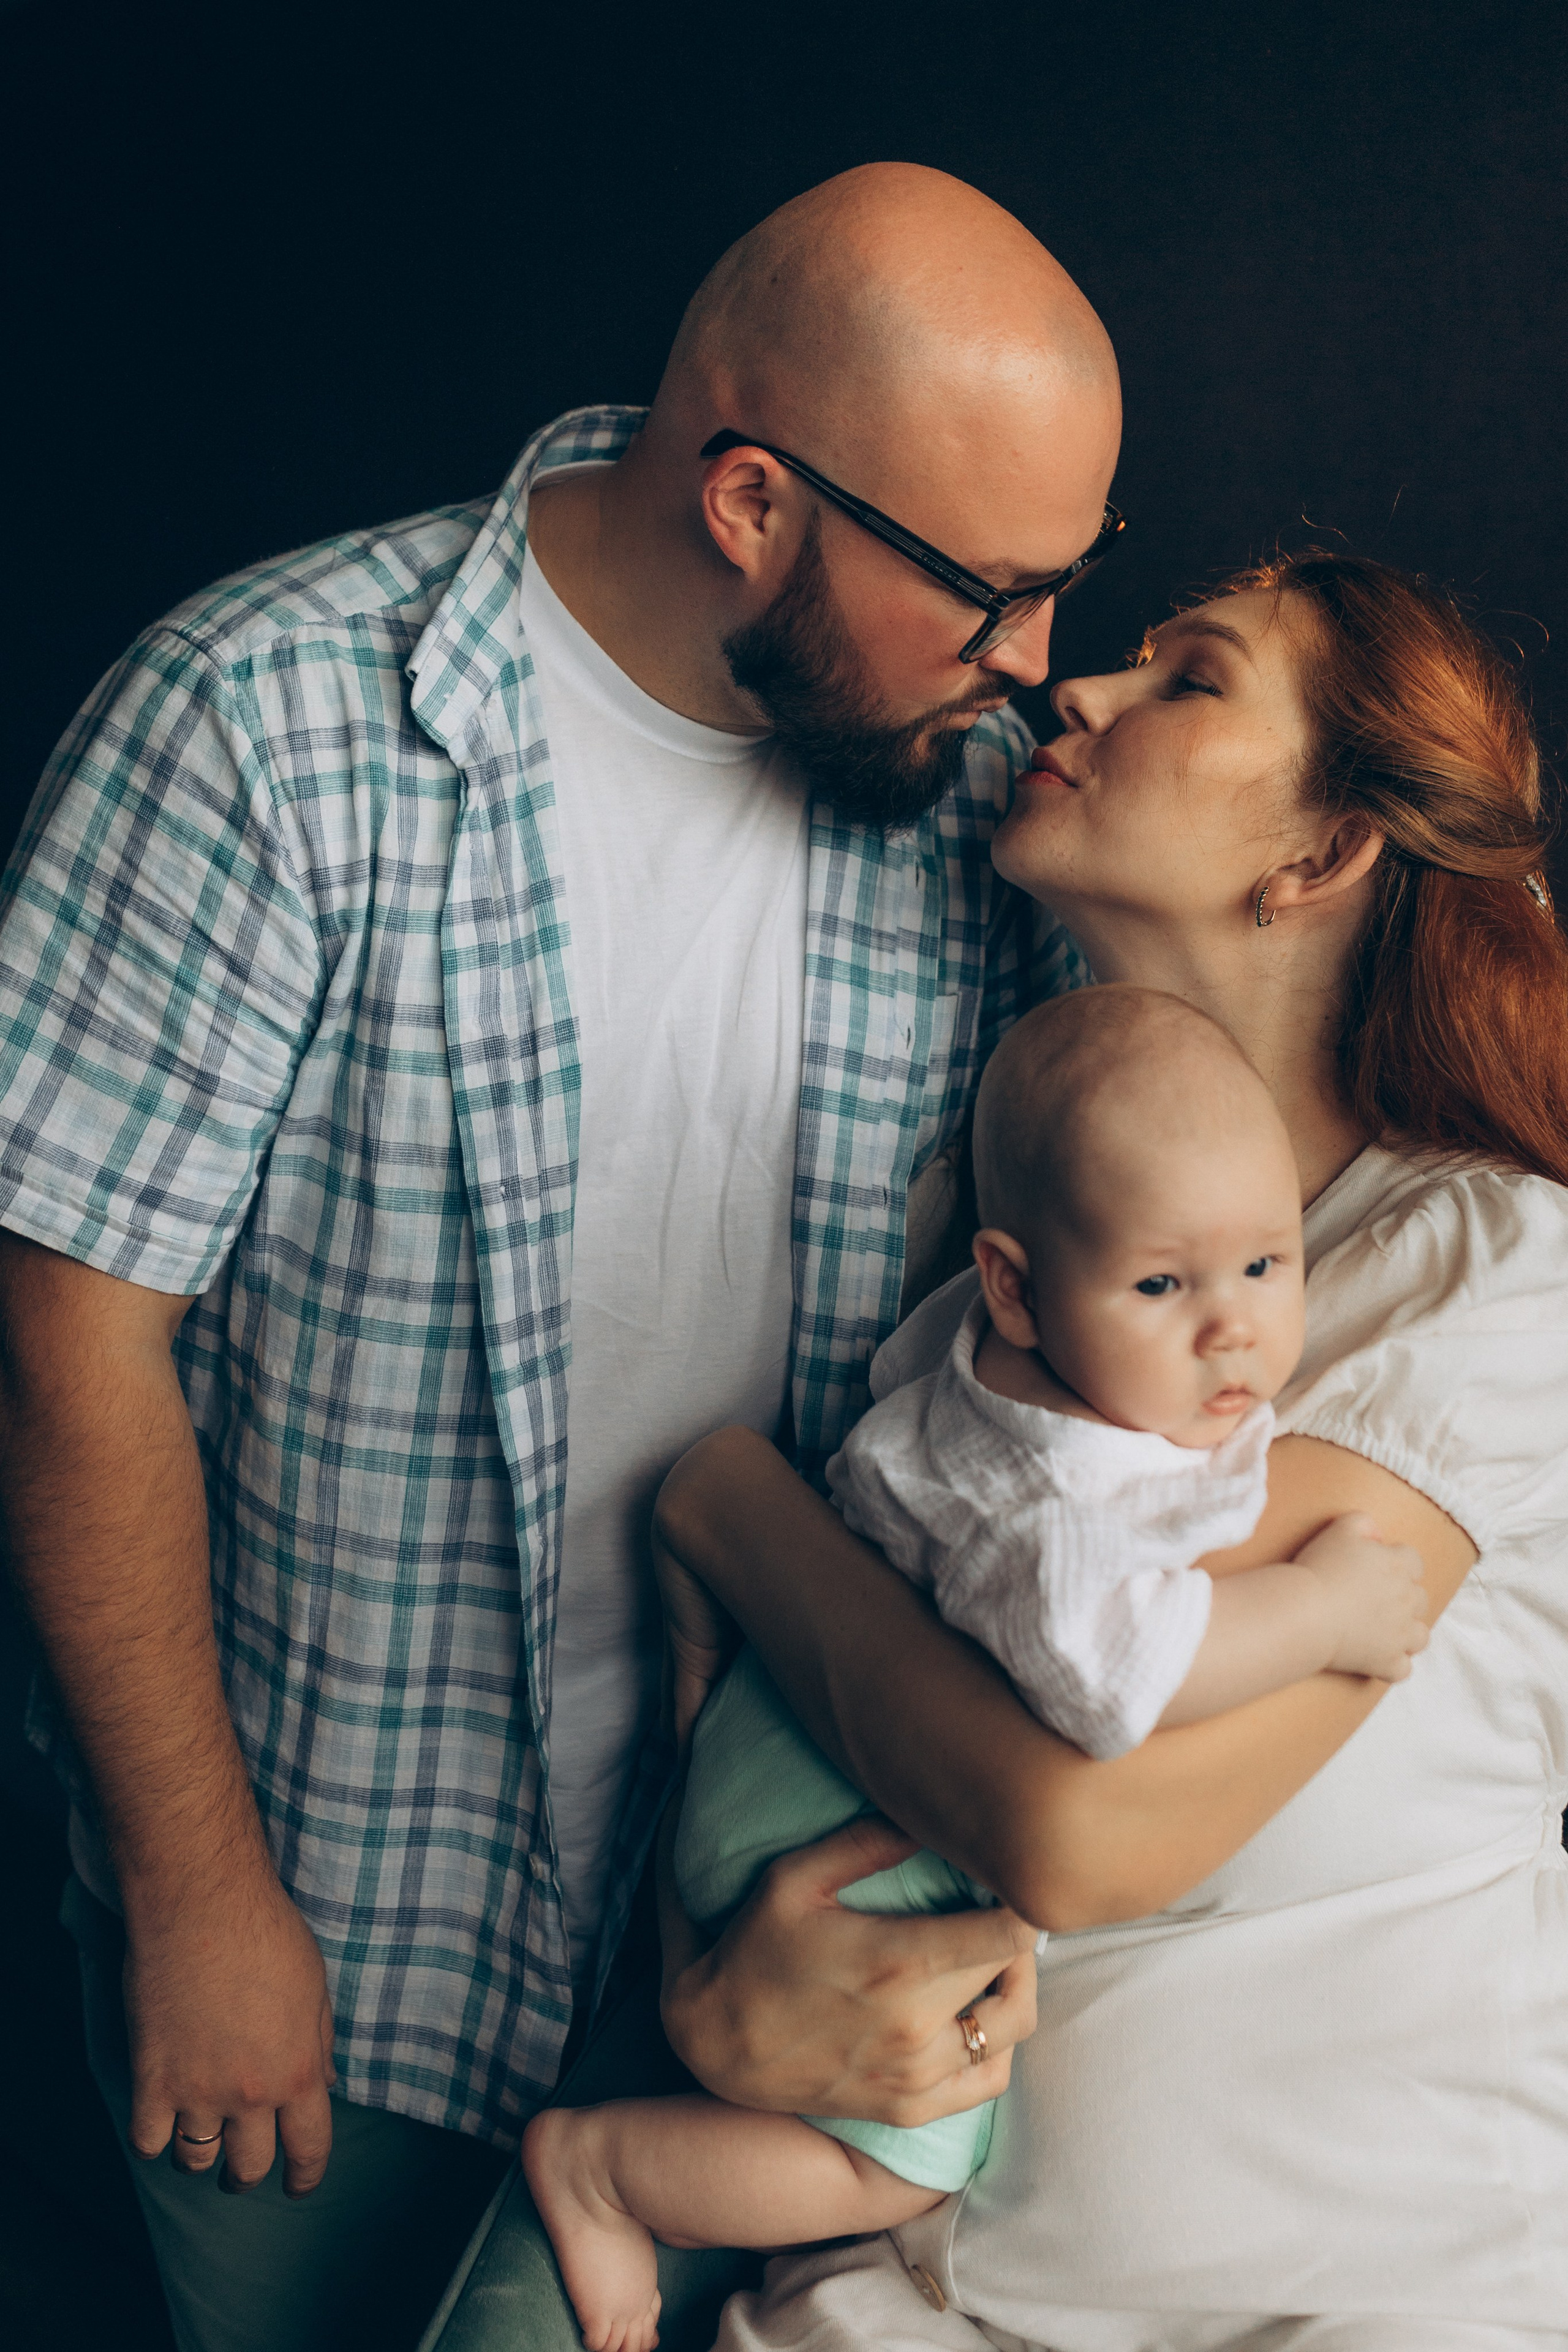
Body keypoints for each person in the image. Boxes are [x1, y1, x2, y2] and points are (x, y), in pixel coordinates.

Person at [0, 164, 1123, 2350]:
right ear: (748, 501)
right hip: (332, 1947)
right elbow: (67, 1343)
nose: (1034, 667)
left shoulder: (983, 810)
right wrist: (194, 1892)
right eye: (992, 593)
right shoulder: (264, 723)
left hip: (783, 1981)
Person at [646, 554, 1568, 2352]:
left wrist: (735, 1508)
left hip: (1360, 2307)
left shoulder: (1484, 1270)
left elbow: (1078, 1823)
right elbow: (793, 1799)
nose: (1078, 697)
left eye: (1188, 681)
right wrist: (712, 2001)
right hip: (890, 2299)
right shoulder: (978, 1291)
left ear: (1318, 857)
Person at [521, 987, 1428, 2352]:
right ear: (1011, 1281)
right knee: (897, 2163)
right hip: (822, 1817)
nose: (1230, 1331)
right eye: (1161, 1286)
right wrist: (1319, 1609)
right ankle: (604, 2170)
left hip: (782, 1740)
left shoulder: (1002, 1353)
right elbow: (1116, 1677)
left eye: (1266, 1265)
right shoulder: (1065, 1494)